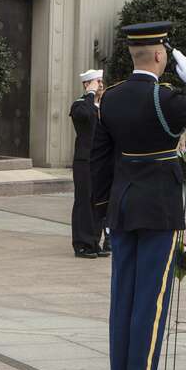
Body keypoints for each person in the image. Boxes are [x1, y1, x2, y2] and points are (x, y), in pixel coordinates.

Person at [91, 21, 186, 370]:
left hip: (121, 208)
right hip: (158, 209)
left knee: (123, 297)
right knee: (151, 300)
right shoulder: (165, 98)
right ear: (159, 55)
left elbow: (99, 161)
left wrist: (103, 211)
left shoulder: (111, 97)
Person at [69, 68, 108, 259]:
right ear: (87, 84)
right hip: (85, 161)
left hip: (101, 162)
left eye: (101, 81)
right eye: (96, 81)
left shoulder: (105, 106)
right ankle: (82, 244)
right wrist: (90, 94)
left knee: (98, 203)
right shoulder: (80, 104)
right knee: (84, 201)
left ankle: (94, 241)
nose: (100, 85)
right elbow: (84, 116)